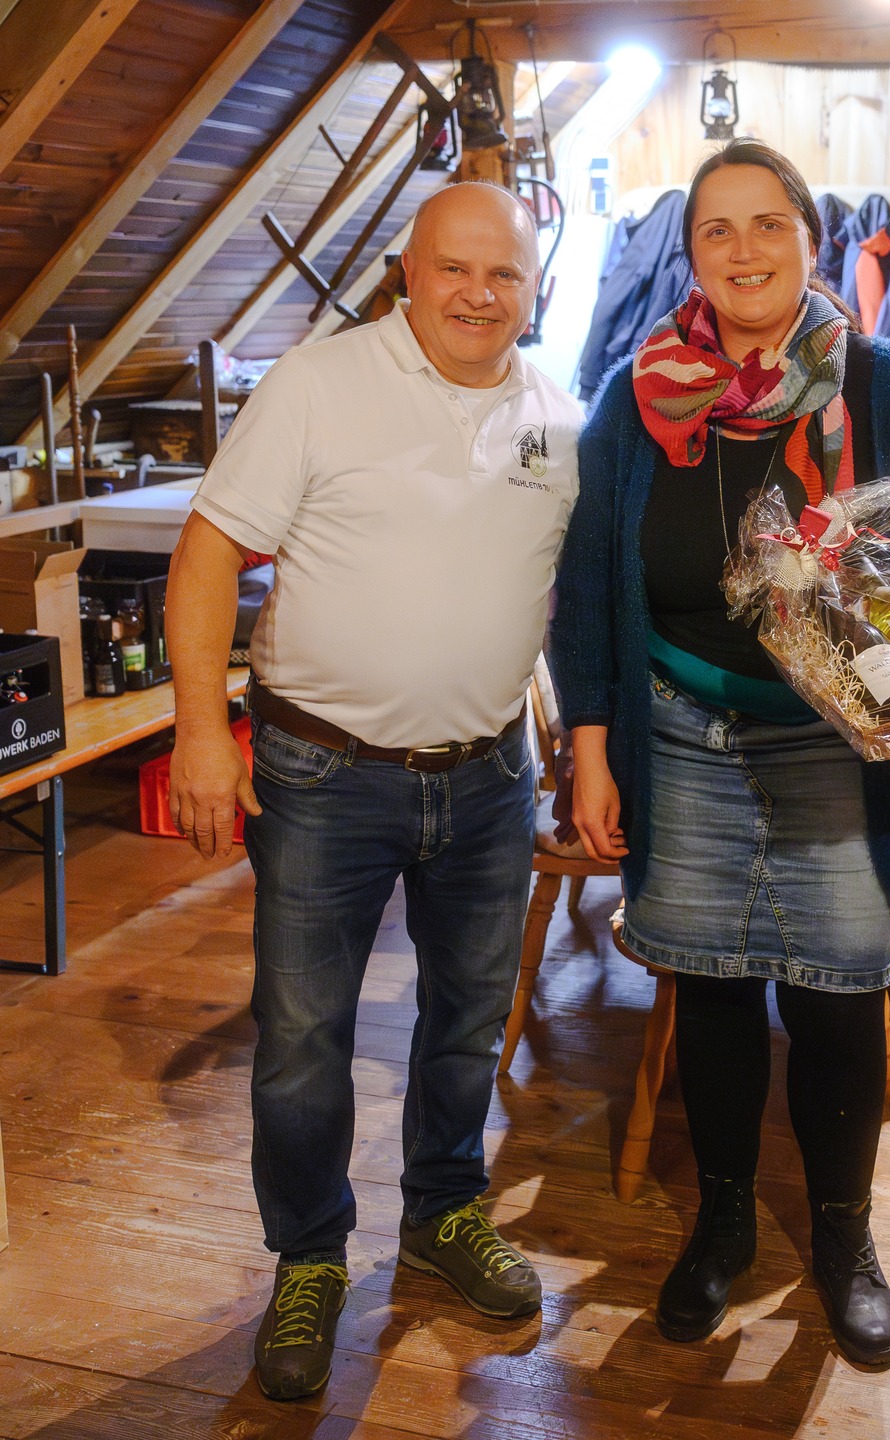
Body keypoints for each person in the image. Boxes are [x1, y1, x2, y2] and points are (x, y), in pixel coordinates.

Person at [166, 182, 584, 1402]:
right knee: (304, 1037)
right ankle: (309, 1256)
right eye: (454, 268)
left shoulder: (559, 418)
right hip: (322, 775)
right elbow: (208, 550)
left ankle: (445, 1212)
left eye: (504, 274)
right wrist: (199, 728)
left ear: (535, 289)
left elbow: (571, 595)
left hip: (489, 776)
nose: (478, 294)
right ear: (408, 269)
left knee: (467, 1019)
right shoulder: (319, 384)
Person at [549, 139, 890, 1370]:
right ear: (689, 255)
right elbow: (588, 579)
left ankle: (844, 1236)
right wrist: (590, 746)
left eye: (768, 224)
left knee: (839, 988)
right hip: (679, 729)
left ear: (811, 240)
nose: (743, 250)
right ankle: (723, 1218)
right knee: (713, 981)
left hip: (837, 741)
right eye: (716, 230)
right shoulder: (636, 395)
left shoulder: (877, 383)